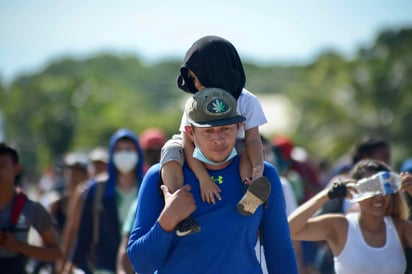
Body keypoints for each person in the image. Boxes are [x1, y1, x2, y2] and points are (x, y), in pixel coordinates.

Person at [127, 88, 298, 274]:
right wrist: (167, 220)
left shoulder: (262, 175)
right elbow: (141, 265)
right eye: (208, 131)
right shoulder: (159, 176)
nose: (218, 139)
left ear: (239, 127)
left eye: (225, 129)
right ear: (190, 132)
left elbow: (279, 251)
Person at [160, 35, 269, 235]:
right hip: (197, 146)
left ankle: (250, 194)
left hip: (234, 145)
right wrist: (203, 178)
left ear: (214, 70)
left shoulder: (247, 101)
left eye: (196, 77)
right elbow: (187, 143)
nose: (194, 83)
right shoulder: (194, 103)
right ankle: (178, 208)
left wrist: (259, 168)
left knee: (245, 150)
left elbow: (253, 138)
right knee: (170, 149)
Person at [288, 159, 412, 274]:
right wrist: (326, 195)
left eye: (384, 188)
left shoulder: (400, 228)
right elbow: (289, 230)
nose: (379, 196)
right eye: (371, 188)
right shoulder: (341, 226)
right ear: (355, 191)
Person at [64, 128, 144, 274]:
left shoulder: (149, 186)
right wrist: (71, 263)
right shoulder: (97, 189)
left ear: (138, 153)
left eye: (129, 149)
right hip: (103, 265)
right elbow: (84, 232)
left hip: (140, 265)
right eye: (119, 150)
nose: (124, 154)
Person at [0, 142, 63, 274]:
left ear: (17, 169)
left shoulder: (30, 208)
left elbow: (56, 252)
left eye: (3, 166)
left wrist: (17, 246)